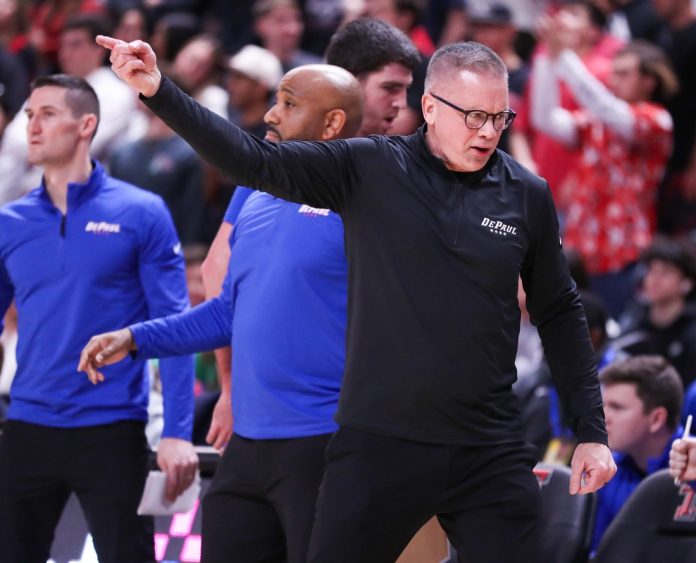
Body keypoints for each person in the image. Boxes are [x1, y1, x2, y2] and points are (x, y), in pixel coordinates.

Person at [87, 36, 616, 562]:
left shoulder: (526, 193)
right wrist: (159, 90)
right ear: (431, 107)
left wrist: (591, 431)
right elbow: (253, 160)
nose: (487, 132)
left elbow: (559, 312)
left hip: (489, 444)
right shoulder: (371, 168)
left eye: (500, 118)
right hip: (379, 443)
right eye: (474, 116)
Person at [82, 63, 363, 563]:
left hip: (323, 443)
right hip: (246, 447)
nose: (271, 114)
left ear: (332, 124)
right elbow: (228, 312)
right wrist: (136, 338)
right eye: (275, 100)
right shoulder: (254, 198)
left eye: (289, 104)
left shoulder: (363, 201)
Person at [0, 74, 198, 563]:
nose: (32, 127)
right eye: (29, 115)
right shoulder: (10, 223)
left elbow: (175, 326)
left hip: (111, 428)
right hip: (27, 426)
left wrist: (177, 431)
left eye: (48, 115)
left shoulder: (141, 213)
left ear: (86, 125)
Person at [200, 17, 421, 452]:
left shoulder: (403, 171)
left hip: (368, 414)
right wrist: (231, 387)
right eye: (390, 88)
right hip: (295, 420)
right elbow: (216, 271)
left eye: (405, 90)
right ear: (346, 84)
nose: (402, 104)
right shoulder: (278, 165)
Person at [531, 17, 676, 318]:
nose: (613, 80)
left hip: (623, 256)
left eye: (624, 73)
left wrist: (564, 57)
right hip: (578, 253)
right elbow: (545, 119)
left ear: (648, 81)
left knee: (614, 333)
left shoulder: (657, 120)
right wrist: (547, 57)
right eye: (614, 72)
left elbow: (609, 111)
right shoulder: (596, 121)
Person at [591, 355, 684, 552]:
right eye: (603, 405)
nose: (603, 417)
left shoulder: (692, 473)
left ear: (657, 419)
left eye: (616, 407)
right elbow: (597, 552)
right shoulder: (607, 470)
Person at [614, 235, 696, 388]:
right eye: (651, 271)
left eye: (665, 272)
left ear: (687, 283)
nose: (654, 280)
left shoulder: (691, 333)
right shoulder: (633, 322)